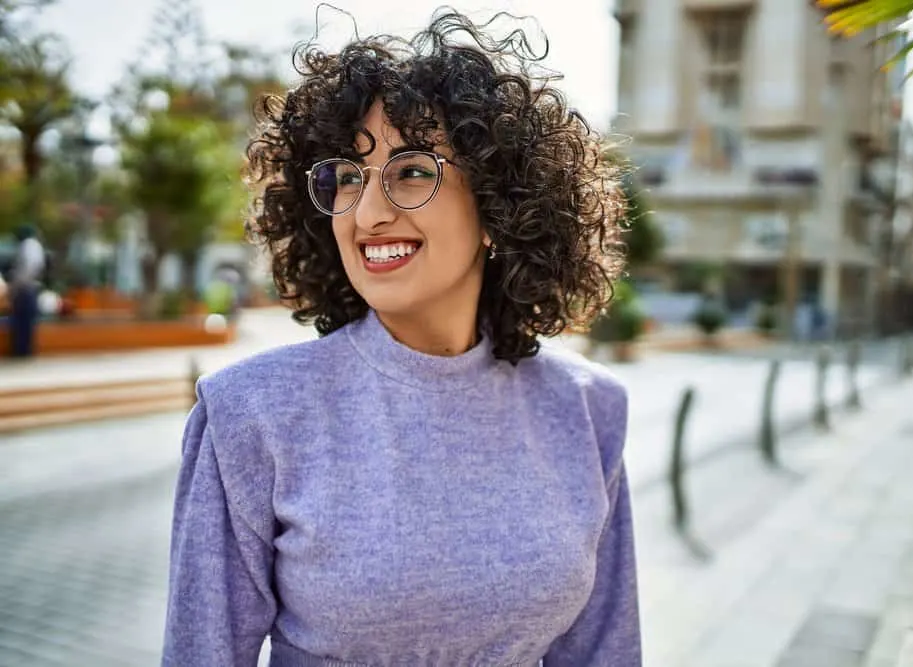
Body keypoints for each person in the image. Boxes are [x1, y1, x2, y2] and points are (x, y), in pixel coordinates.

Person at [162, 9, 640, 667]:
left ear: (500, 205)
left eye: (412, 170)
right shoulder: (250, 413)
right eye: (348, 176)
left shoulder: (588, 410)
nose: (369, 211)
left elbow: (605, 654)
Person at [8, 224, 46, 358]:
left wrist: (16, 285)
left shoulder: (29, 245)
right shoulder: (34, 245)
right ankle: (23, 351)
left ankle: (22, 352)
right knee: (25, 323)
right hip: (29, 288)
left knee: (23, 323)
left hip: (25, 288)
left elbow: (27, 267)